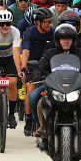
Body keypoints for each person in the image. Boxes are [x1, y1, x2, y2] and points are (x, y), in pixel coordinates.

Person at [30, 24, 81, 145]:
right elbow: (40, 67)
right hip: (53, 86)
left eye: (69, 38)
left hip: (77, 86)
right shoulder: (50, 52)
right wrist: (37, 75)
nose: (66, 41)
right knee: (33, 97)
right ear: (58, 40)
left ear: (73, 40)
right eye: (63, 38)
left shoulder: (80, 52)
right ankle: (41, 126)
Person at [21, 8, 55, 136]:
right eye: (47, 22)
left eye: (51, 21)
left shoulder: (53, 33)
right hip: (33, 66)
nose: (50, 24)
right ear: (38, 23)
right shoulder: (30, 32)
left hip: (49, 66)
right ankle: (29, 119)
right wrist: (24, 68)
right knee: (30, 89)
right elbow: (25, 51)